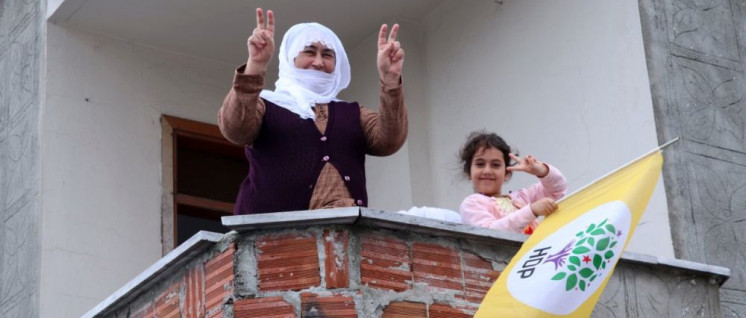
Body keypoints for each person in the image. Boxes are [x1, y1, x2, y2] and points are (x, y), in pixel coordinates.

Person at [218, 8, 408, 214]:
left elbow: (389, 141)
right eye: (309, 52)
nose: (318, 62)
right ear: (291, 58)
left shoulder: (353, 113)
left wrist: (390, 80)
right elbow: (235, 129)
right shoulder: (266, 103)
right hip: (273, 236)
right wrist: (256, 65)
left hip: (343, 236)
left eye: (327, 55)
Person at [458, 131, 567, 234]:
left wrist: (541, 170)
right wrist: (532, 211)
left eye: (495, 165)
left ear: (507, 173)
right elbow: (490, 233)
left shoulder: (523, 197)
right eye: (480, 164)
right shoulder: (471, 203)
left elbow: (558, 191)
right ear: (468, 172)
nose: (487, 171)